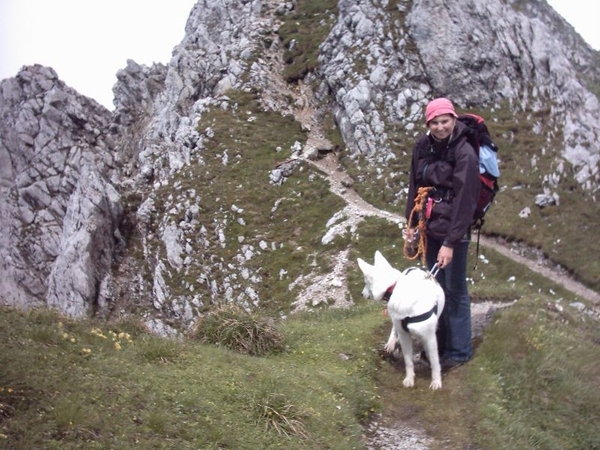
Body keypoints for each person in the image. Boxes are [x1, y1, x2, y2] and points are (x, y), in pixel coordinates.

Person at [404, 97, 480, 371]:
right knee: (434, 288)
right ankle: (438, 345)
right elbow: (414, 184)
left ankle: (459, 352)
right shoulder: (422, 146)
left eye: (444, 121)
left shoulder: (465, 152)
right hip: (428, 225)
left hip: (453, 231)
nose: (439, 127)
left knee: (455, 290)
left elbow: (465, 203)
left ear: (454, 119)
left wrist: (450, 243)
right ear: (428, 123)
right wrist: (410, 224)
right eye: (434, 122)